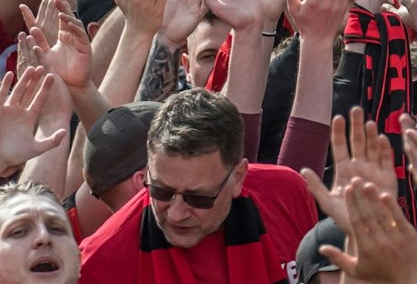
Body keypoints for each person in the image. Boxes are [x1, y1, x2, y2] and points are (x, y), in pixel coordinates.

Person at [76, 88, 316, 283]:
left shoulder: (287, 193)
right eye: (161, 191)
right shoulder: (101, 263)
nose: (176, 213)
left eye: (198, 197)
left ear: (238, 177)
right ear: (148, 172)